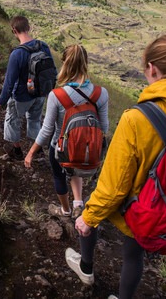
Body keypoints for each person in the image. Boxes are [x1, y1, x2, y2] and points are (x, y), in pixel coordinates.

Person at [66, 34, 166, 297]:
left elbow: (113, 187)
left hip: (141, 213)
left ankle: (85, 268)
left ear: (152, 68)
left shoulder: (137, 119)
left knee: (105, 224)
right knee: (134, 255)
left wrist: (88, 217)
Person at [23, 44, 109, 219]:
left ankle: (65, 210)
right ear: (86, 63)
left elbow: (47, 129)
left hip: (60, 149)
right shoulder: (101, 94)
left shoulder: (57, 95)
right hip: (85, 149)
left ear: (65, 64)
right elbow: (104, 128)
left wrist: (31, 152)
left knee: (60, 176)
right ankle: (79, 203)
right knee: (76, 167)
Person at [0, 16, 56, 160]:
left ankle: (17, 151)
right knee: (34, 120)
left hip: (22, 96)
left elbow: (9, 83)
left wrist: (1, 101)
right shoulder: (43, 46)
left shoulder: (17, 54)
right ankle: (38, 151)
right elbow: (52, 71)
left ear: (14, 30)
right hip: (40, 93)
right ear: (28, 27)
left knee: (12, 120)